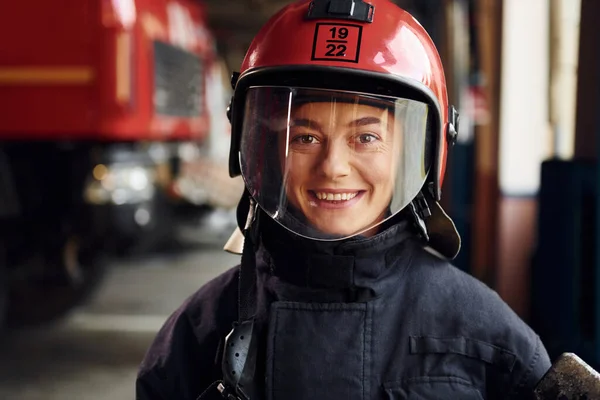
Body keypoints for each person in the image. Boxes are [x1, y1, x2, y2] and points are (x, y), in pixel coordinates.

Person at [136, 0, 552, 398]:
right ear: (264, 152)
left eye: (366, 137)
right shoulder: (198, 332)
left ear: (417, 152)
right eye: (304, 138)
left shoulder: (488, 338)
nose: (333, 166)